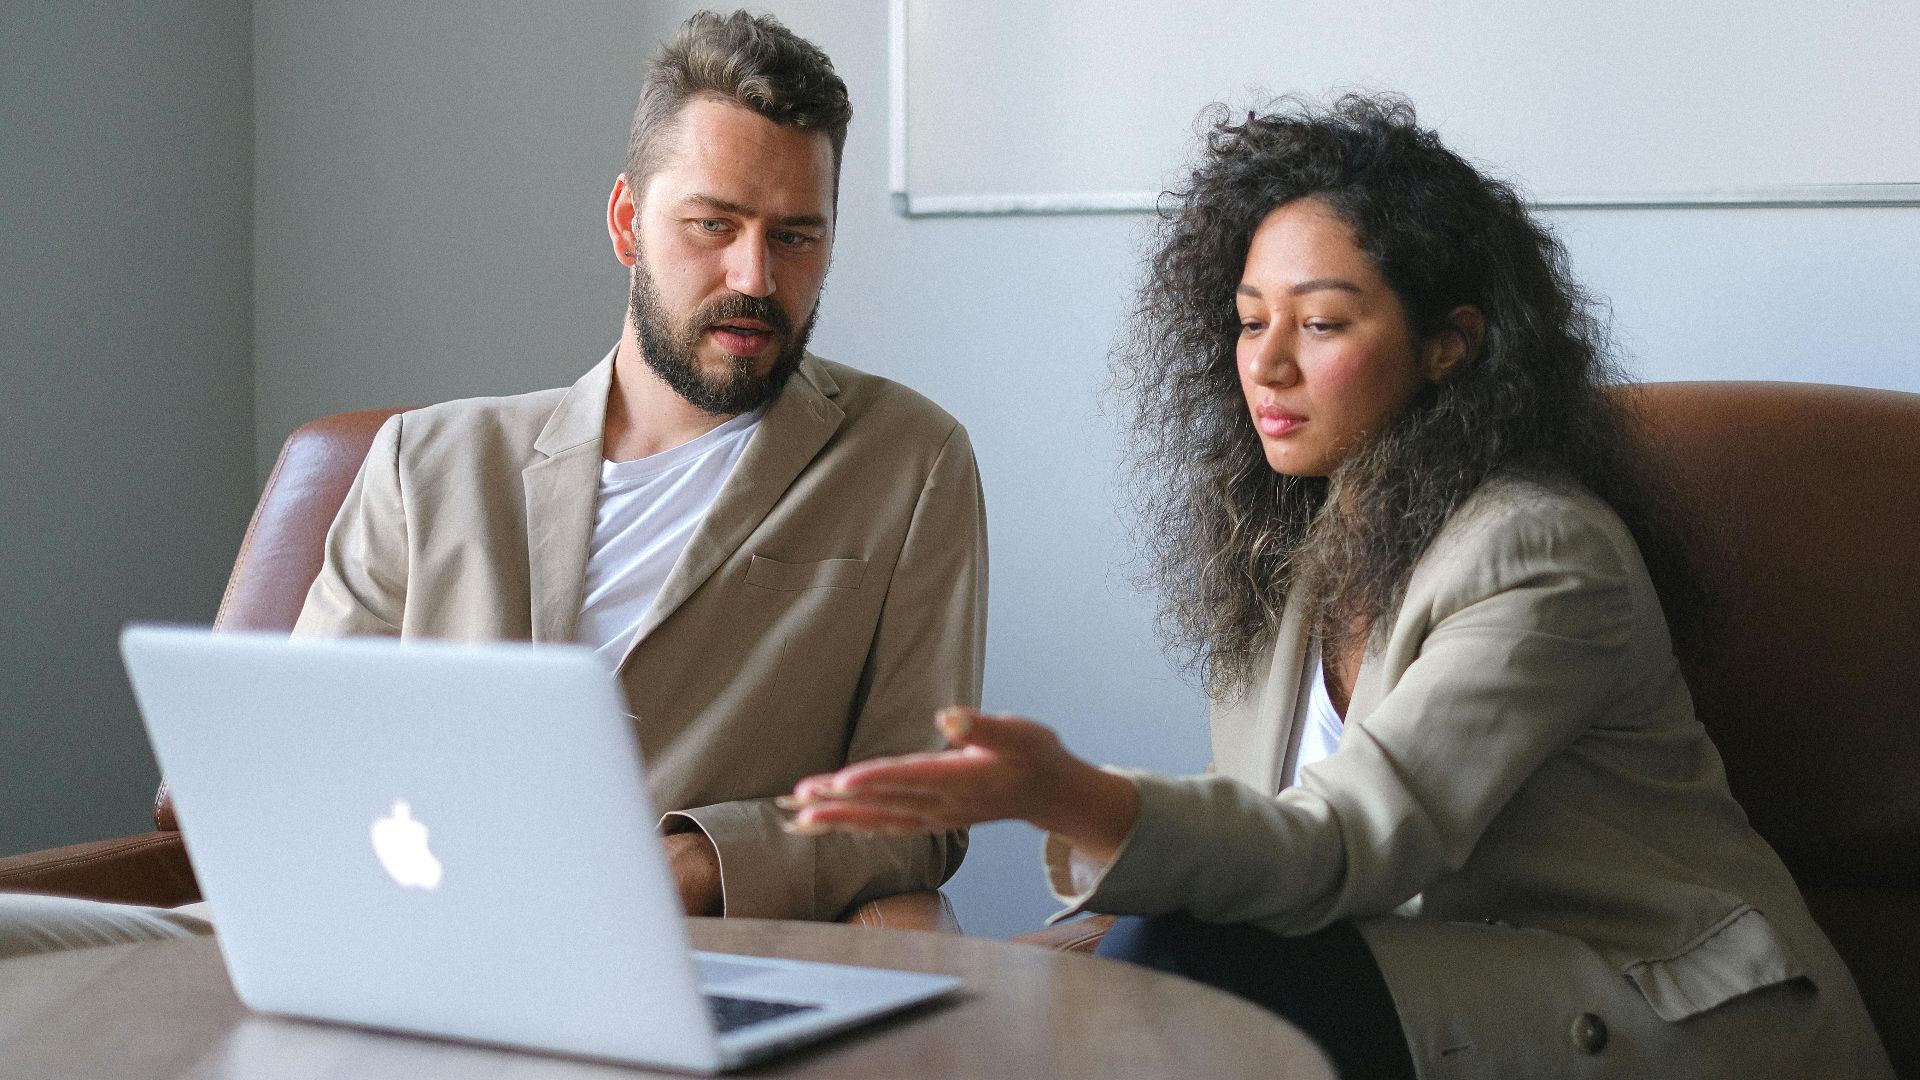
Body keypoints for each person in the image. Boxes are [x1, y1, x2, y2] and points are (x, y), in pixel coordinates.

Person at [783, 96, 1893, 1078]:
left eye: (1318, 324)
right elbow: (1256, 862)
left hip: (1673, 1017)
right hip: (1430, 990)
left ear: (1450, 345)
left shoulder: (1543, 556)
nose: (1266, 363)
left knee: (1188, 969)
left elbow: (1343, 847)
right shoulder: (1292, 553)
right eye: (1249, 319)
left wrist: (1063, 792)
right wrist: (985, 977)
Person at [0, 9, 981, 957]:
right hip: (330, 927)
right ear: (627, 223)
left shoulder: (906, 461)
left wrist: (679, 868)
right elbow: (302, 758)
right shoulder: (427, 461)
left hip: (645, 955)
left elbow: (921, 808)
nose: (755, 276)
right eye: (713, 224)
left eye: (797, 237)